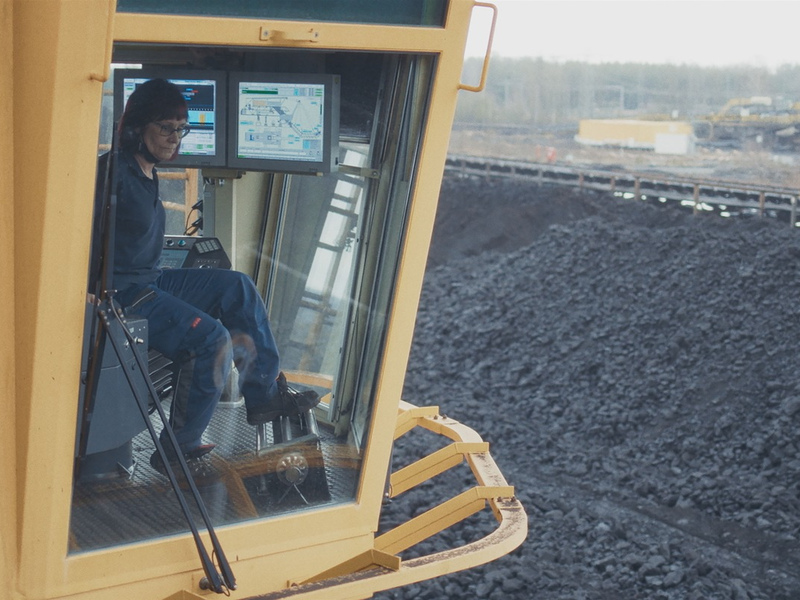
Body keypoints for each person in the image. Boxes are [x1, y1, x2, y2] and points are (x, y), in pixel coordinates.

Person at [92, 78, 319, 472]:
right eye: (165, 128)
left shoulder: (146, 170)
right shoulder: (113, 174)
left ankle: (262, 395)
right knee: (210, 339)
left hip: (149, 278)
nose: (174, 138)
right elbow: (80, 233)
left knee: (237, 288)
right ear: (135, 128)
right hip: (121, 291)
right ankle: (177, 449)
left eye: (180, 129)